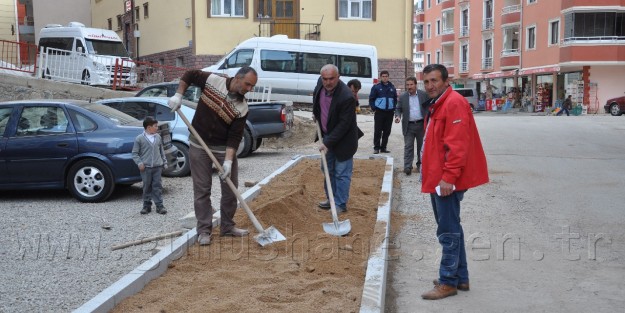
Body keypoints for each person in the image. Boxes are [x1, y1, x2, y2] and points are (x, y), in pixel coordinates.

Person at [419, 64, 489, 300]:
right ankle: (461, 277)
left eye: (434, 81)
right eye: (426, 81)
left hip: (446, 181)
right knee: (452, 226)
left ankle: (448, 282)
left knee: (447, 230)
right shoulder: (440, 102)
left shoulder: (453, 103)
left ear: (446, 81)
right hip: (439, 178)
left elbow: (457, 147)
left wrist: (448, 178)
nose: (430, 86)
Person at [168, 66, 258, 246]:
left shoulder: (242, 108)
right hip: (198, 145)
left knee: (231, 190)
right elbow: (190, 74)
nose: (249, 89)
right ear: (237, 78)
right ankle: (204, 230)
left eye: (252, 86)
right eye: (248, 84)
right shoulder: (213, 81)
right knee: (202, 190)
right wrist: (179, 95)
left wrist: (228, 161)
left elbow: (235, 137)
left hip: (223, 148)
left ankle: (227, 227)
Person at [313, 64, 363, 213]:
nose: (328, 82)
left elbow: (344, 124)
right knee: (327, 170)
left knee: (341, 173)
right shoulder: (320, 83)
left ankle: (340, 204)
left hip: (344, 141)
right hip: (327, 134)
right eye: (325, 79)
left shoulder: (347, 97)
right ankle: (331, 200)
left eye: (332, 79)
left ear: (338, 77)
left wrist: (327, 143)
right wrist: (316, 114)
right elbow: (317, 100)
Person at [132, 116, 168, 215]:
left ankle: (159, 206)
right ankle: (146, 206)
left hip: (157, 167)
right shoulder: (139, 139)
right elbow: (134, 153)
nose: (157, 128)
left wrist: (164, 162)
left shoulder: (158, 137)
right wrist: (139, 163)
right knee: (147, 186)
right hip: (146, 168)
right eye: (155, 126)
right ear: (148, 127)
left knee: (157, 186)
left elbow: (161, 151)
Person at [394, 77, 429, 175]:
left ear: (416, 84)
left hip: (421, 125)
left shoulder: (423, 95)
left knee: (421, 147)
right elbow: (398, 108)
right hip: (408, 126)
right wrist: (397, 116)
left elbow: (429, 106)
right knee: (408, 146)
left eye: (411, 84)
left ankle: (420, 165)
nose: (409, 87)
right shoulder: (403, 96)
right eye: (407, 85)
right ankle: (407, 167)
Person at [369, 70, 397, 154]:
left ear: (388, 77)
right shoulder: (376, 87)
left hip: (389, 113)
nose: (385, 78)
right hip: (379, 112)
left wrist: (394, 108)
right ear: (381, 77)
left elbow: (395, 99)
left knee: (387, 131)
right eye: (383, 76)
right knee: (378, 130)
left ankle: (383, 147)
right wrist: (374, 108)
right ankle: (376, 148)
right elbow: (371, 99)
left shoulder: (392, 87)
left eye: (386, 76)